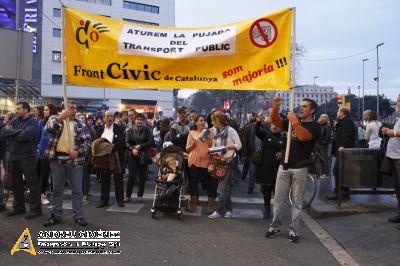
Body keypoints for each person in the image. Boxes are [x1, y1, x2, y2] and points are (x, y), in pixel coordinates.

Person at [265, 97, 321, 243]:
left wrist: (294, 121)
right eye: (301, 106)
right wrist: (275, 107)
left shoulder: (315, 126)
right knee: (278, 199)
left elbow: (303, 137)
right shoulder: (293, 121)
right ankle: (275, 227)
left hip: (300, 167)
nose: (301, 108)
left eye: (305, 107)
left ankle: (293, 230)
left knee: (296, 201)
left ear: (312, 110)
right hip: (284, 165)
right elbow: (276, 122)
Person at [43, 100, 91, 227]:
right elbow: (48, 129)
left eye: (75, 108)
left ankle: (79, 216)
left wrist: (79, 151)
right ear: (64, 109)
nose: (74, 110)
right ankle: (56, 215)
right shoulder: (55, 118)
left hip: (74, 161)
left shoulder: (81, 125)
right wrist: (61, 117)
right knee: (57, 190)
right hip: (57, 160)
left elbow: (87, 144)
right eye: (71, 108)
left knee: (77, 190)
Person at [1, 102, 41, 219]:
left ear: (26, 110)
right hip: (14, 157)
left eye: (18, 109)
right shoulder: (15, 120)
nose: (16, 111)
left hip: (27, 157)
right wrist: (17, 132)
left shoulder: (33, 121)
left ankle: (35, 210)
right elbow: (3, 133)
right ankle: (19, 208)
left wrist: (13, 133)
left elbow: (26, 136)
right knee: (15, 184)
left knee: (32, 185)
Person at [208, 111, 242, 219]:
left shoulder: (231, 131)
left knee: (222, 188)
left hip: (228, 161)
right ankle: (229, 210)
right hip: (218, 161)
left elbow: (239, 145)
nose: (211, 122)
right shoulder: (214, 130)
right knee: (225, 188)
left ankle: (219, 210)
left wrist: (228, 147)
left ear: (218, 120)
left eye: (213, 120)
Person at [255, 114, 285, 219]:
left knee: (277, 192)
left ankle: (276, 212)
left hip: (278, 168)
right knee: (266, 191)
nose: (274, 126)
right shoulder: (266, 135)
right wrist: (258, 121)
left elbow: (288, 149)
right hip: (265, 167)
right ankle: (267, 210)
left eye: (277, 124)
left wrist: (282, 152)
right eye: (273, 124)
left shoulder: (284, 137)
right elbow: (257, 131)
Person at [95, 111, 125, 208]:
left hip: (116, 157)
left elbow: (121, 143)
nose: (109, 118)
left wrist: (109, 148)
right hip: (103, 158)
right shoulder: (100, 130)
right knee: (105, 180)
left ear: (113, 118)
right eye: (107, 116)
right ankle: (104, 201)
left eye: (111, 116)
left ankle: (120, 200)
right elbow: (96, 143)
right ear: (104, 118)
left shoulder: (119, 128)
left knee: (118, 180)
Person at [186, 115, 215, 214]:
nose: (203, 122)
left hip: (206, 161)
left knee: (208, 183)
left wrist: (208, 139)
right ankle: (193, 203)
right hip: (194, 161)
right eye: (201, 120)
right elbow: (187, 149)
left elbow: (212, 146)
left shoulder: (209, 133)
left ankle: (211, 204)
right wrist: (192, 144)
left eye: (204, 121)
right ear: (196, 122)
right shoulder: (192, 133)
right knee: (193, 183)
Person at [326, 107, 356, 200]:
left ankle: (341, 192)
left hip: (343, 151)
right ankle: (342, 192)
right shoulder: (345, 122)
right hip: (342, 150)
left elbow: (346, 136)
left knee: (338, 171)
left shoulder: (346, 123)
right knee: (340, 171)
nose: (337, 112)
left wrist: (342, 147)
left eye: (338, 111)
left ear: (342, 113)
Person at [125, 113, 153, 203]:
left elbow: (150, 141)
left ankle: (140, 195)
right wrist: (132, 149)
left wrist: (140, 146)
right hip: (132, 155)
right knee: (131, 177)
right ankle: (127, 195)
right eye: (137, 119)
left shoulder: (147, 129)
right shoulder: (129, 130)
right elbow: (126, 142)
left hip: (143, 155)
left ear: (143, 120)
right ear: (134, 120)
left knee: (142, 177)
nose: (139, 121)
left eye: (141, 119)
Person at [381, 94, 400, 228]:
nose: (397, 103)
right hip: (394, 156)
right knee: (397, 188)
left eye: (399, 101)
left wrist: (392, 133)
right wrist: (388, 130)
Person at [38, 104, 58, 205]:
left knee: (55, 175)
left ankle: (55, 195)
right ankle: (42, 195)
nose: (44, 112)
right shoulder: (41, 122)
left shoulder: (57, 121)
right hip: (43, 152)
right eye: (44, 110)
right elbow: (39, 137)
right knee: (44, 174)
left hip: (54, 151)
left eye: (46, 110)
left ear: (52, 111)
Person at [243, 115, 257, 194]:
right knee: (252, 170)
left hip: (257, 152)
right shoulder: (249, 128)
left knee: (254, 170)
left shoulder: (264, 127)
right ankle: (251, 187)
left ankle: (252, 187)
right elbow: (245, 140)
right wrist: (245, 152)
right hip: (252, 153)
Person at [318, 114, 332, 179]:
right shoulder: (321, 125)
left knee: (324, 159)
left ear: (326, 118)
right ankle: (323, 173)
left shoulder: (327, 126)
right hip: (320, 145)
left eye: (322, 117)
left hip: (323, 145)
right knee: (322, 159)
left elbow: (327, 137)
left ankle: (325, 173)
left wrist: (322, 143)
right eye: (320, 117)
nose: (321, 118)